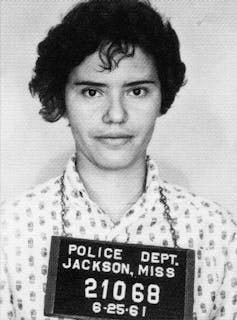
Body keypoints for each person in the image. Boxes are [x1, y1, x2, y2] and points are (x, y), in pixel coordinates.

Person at [0, 0, 236, 319]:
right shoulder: (9, 233)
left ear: (161, 96)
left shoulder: (217, 233)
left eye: (136, 91)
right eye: (92, 92)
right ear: (63, 98)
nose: (116, 114)